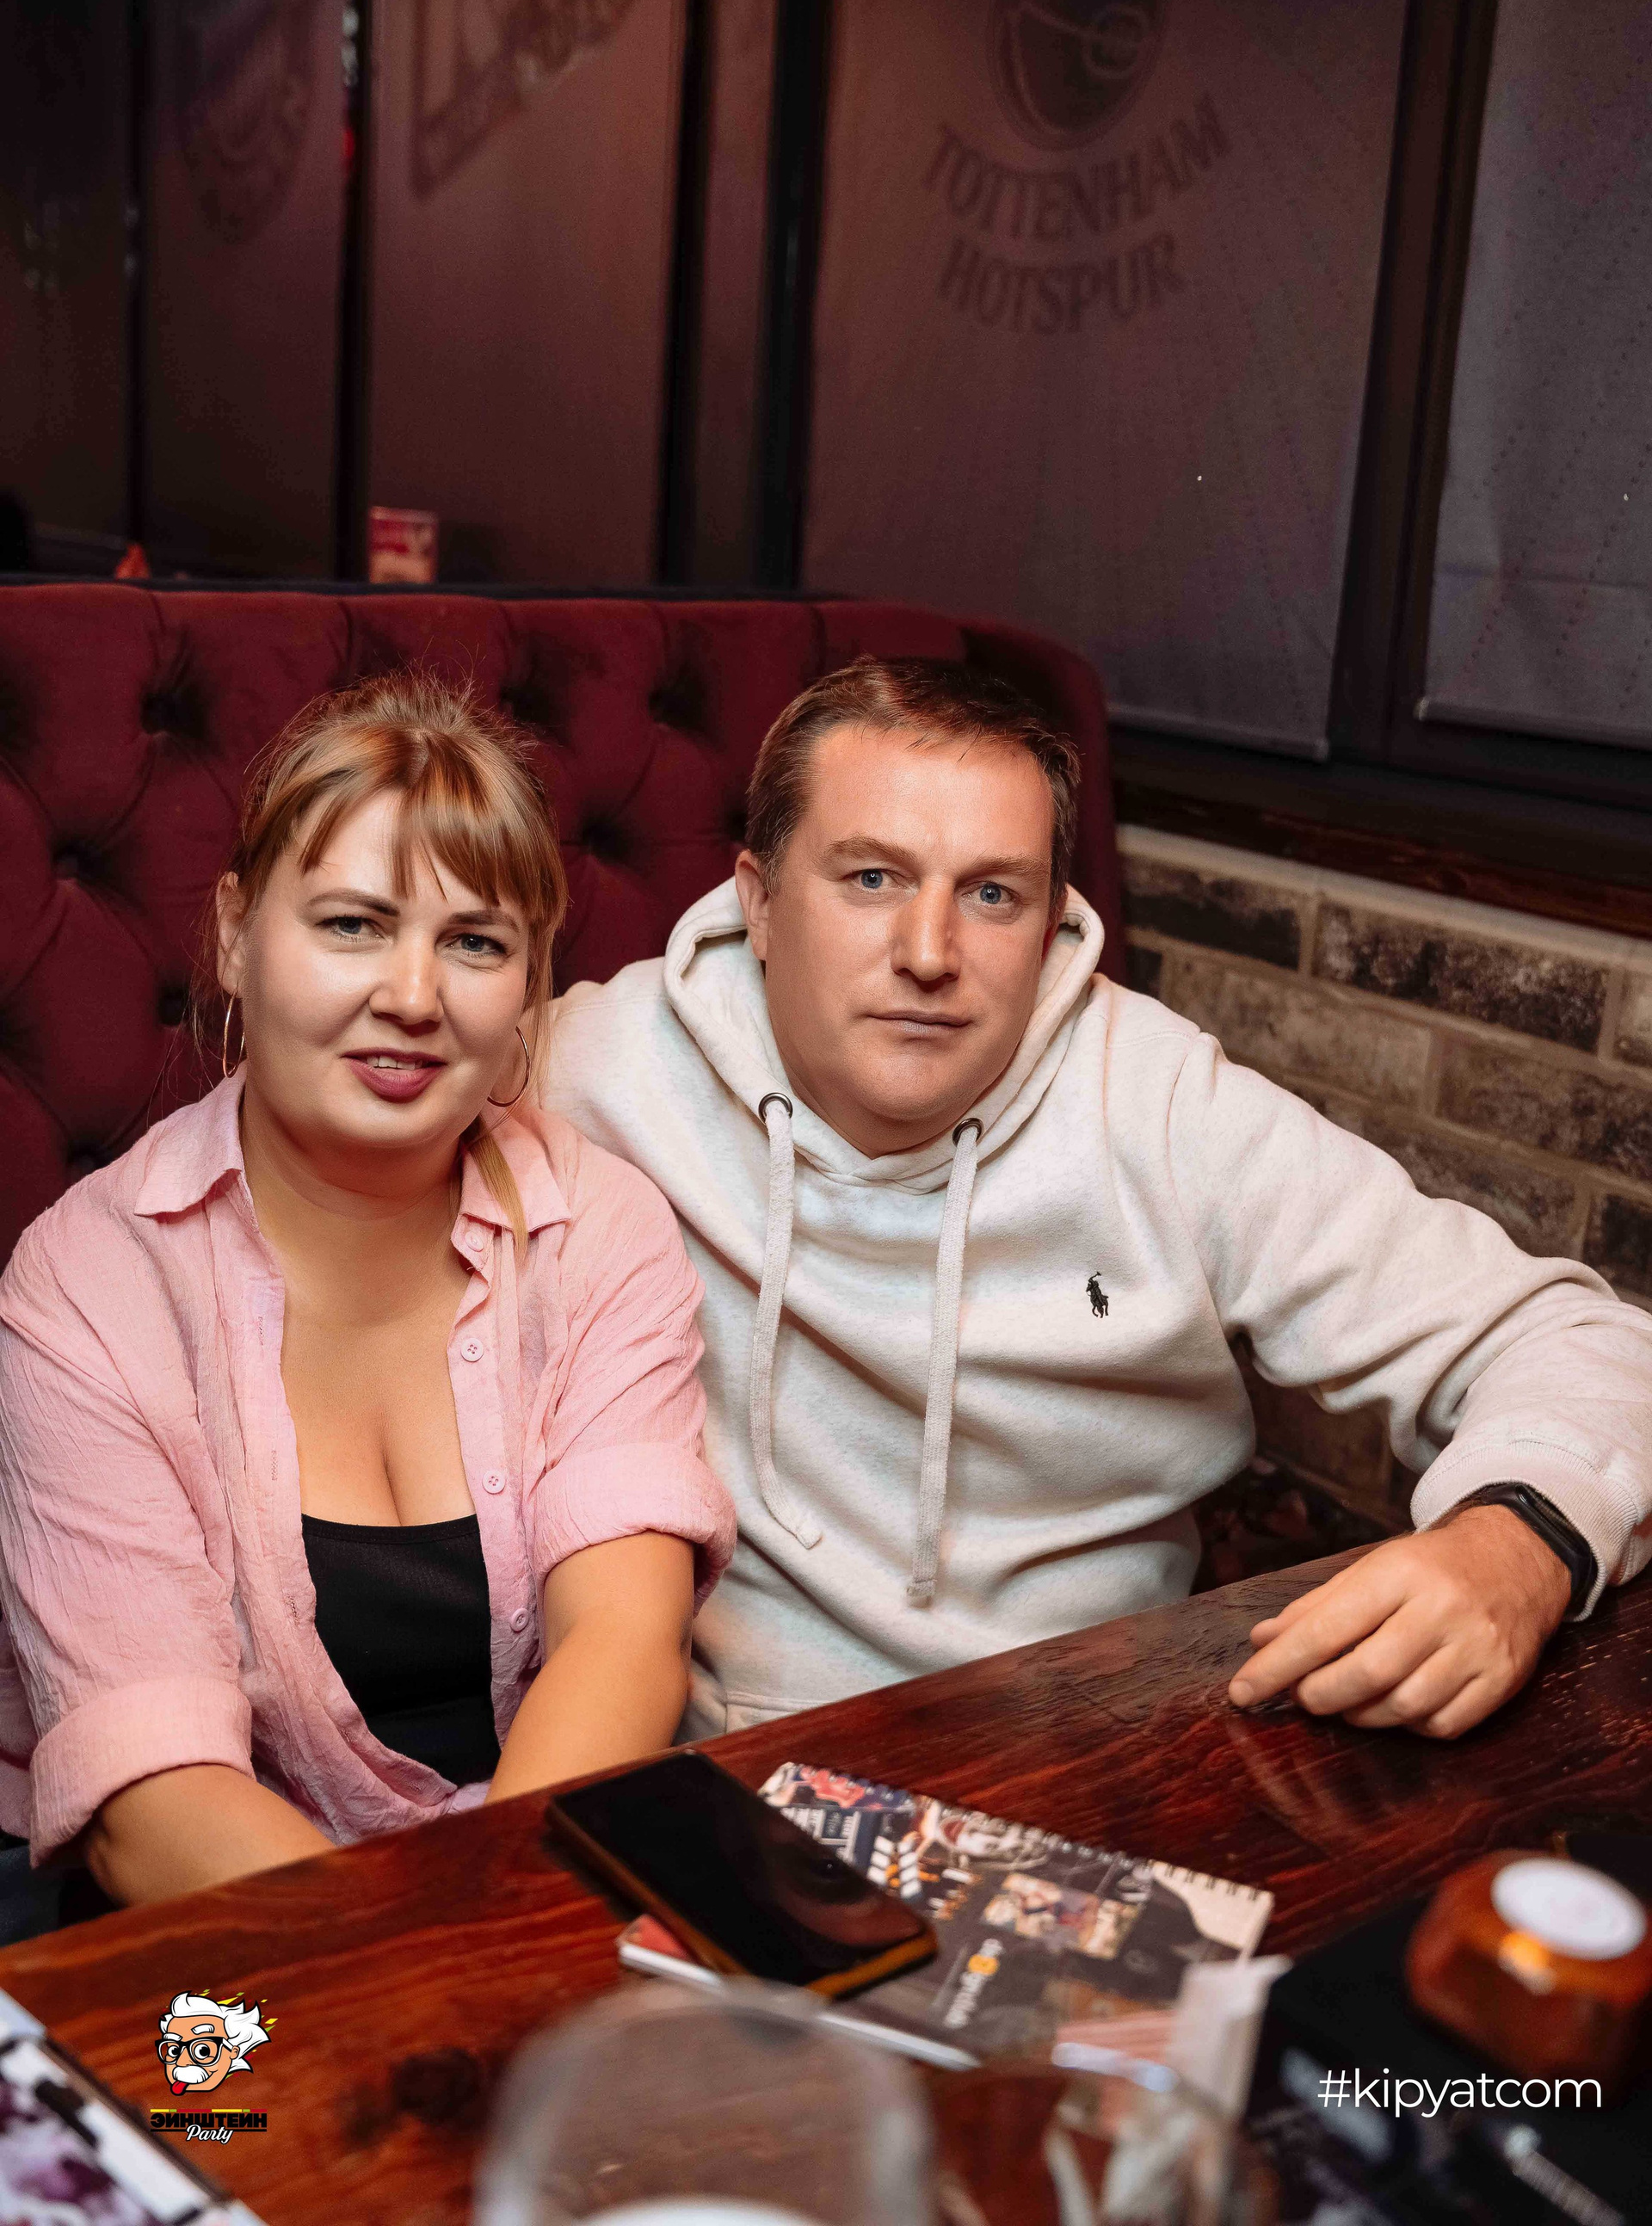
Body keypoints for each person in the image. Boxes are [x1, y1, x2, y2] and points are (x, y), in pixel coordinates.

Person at [541, 656, 1652, 1744]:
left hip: (1089, 1738)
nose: (929, 953)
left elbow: (1584, 1342)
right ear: (760, 901)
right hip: (714, 1752)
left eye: (992, 894)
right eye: (872, 878)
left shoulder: (1163, 1106)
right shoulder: (594, 1065)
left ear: (1049, 921)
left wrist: (1517, 1547)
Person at [0, 675, 734, 1908]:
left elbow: (624, 1640)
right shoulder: (87, 1287)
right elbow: (150, 1800)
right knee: (213, 2067)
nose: (412, 996)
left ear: (529, 986)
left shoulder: (600, 1225)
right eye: (352, 924)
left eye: (476, 943)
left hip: (546, 1875)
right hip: (223, 1926)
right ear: (236, 935)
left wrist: (490, 1936)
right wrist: (424, 1966)